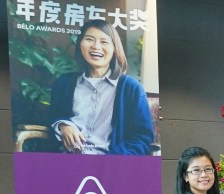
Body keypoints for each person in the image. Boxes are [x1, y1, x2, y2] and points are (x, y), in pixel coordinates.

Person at [47, 19, 153, 155]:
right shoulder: (64, 83)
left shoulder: (131, 88)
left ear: (114, 49)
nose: (96, 46)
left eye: (104, 42)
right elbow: (53, 116)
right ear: (80, 44)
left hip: (111, 162)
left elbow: (142, 138)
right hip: (66, 161)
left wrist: (111, 161)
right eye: (89, 39)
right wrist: (63, 125)